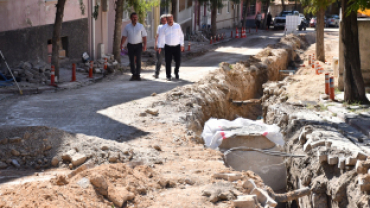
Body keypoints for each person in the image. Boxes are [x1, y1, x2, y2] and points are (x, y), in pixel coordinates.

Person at [120, 12, 147, 81]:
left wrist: (145, 45)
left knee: (138, 60)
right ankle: (133, 74)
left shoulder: (141, 26)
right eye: (133, 17)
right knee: (131, 60)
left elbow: (144, 36)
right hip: (130, 45)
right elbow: (124, 36)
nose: (134, 19)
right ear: (130, 18)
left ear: (137, 18)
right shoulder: (127, 27)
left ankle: (137, 75)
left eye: (135, 17)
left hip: (138, 45)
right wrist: (121, 44)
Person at [158, 14, 184, 81]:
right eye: (168, 20)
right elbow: (160, 37)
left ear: (173, 18)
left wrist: (182, 45)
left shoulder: (177, 26)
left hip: (177, 46)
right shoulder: (164, 27)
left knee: (178, 61)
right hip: (168, 47)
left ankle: (176, 73)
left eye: (171, 19)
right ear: (166, 20)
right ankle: (168, 75)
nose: (170, 21)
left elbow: (181, 36)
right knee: (168, 61)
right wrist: (159, 46)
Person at [153, 14, 167, 79]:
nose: (164, 21)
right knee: (159, 60)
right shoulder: (159, 27)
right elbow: (157, 36)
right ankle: (156, 73)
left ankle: (168, 74)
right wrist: (155, 44)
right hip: (160, 46)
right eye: (162, 20)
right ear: (161, 21)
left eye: (165, 20)